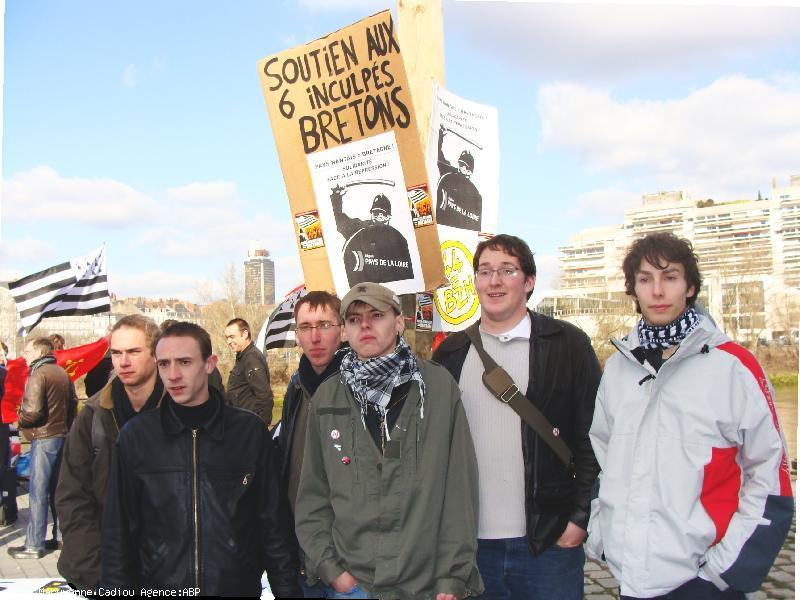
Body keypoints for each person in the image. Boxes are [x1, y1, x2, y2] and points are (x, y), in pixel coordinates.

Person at [587, 232, 794, 599]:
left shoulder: (734, 367)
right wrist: (602, 536)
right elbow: (600, 459)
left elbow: (769, 475)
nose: (657, 291)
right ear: (634, 289)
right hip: (630, 579)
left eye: (670, 277)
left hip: (703, 581)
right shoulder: (618, 369)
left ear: (691, 286)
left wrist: (725, 570)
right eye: (645, 279)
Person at [433, 234, 601, 599]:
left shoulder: (567, 344)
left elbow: (593, 436)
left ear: (529, 281)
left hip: (547, 542)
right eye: (485, 271)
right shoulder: (450, 353)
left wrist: (579, 518)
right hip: (472, 546)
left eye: (507, 270)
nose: (494, 281)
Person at [295, 282, 483, 599]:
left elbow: (459, 490)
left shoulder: (437, 387)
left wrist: (452, 576)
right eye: (354, 319)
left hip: (423, 584)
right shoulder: (328, 397)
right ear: (344, 331)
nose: (365, 325)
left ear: (398, 323)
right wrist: (332, 570)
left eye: (377, 315)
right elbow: (313, 493)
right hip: (354, 584)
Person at [102, 322, 300, 597]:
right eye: (164, 364)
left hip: (235, 589)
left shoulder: (249, 433)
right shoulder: (136, 437)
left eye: (184, 362)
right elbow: (118, 533)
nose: (173, 375)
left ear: (209, 364)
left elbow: (274, 527)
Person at [56, 315, 163, 592]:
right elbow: (73, 497)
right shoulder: (92, 415)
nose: (123, 361)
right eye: (116, 353)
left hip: (169, 573)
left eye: (133, 352)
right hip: (104, 569)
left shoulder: (182, 412)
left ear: (156, 354)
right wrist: (96, 573)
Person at [274, 290, 345, 597]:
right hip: (300, 554)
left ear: (342, 330)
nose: (315, 337)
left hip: (346, 559)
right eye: (305, 327)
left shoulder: (359, 387)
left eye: (325, 325)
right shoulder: (296, 387)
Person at [8, 337, 77, 559]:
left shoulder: (38, 374)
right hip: (61, 435)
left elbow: (33, 411)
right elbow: (74, 404)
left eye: (28, 351)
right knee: (58, 490)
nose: (24, 355)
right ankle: (61, 537)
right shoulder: (62, 373)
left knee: (38, 491)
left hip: (44, 437)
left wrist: (18, 421)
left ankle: (34, 544)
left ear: (39, 352)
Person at [330, 185, 414, 286]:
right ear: (371, 213)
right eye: (375, 213)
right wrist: (336, 197)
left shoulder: (397, 238)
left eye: (382, 214)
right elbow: (337, 220)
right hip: (363, 287)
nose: (378, 216)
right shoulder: (359, 228)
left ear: (388, 217)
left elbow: (406, 270)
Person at [224, 317, 274, 426]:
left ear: (245, 334)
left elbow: (265, 396)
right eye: (227, 338)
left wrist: (259, 427)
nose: (229, 341)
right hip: (239, 423)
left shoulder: (252, 358)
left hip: (248, 425)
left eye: (232, 337)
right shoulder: (242, 357)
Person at [435, 125, 482, 231]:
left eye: (465, 166)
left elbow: (476, 224)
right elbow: (438, 155)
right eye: (461, 164)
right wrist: (440, 136)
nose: (462, 167)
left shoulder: (475, 194)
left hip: (457, 232)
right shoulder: (449, 173)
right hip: (439, 225)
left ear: (470, 171)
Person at [0, 341, 18, 527]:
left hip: (6, 427)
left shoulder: (7, 373)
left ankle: (7, 510)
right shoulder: (6, 374)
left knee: (7, 469)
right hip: (5, 427)